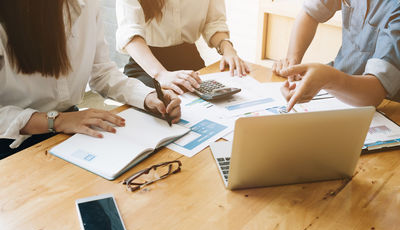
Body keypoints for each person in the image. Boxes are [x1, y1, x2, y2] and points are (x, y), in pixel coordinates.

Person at [0, 0, 181, 160]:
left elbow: (102, 72)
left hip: (71, 127)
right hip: (10, 142)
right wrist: (57, 121)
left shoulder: (87, 4)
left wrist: (147, 97)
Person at [272, 0, 400, 111]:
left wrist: (328, 79)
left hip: (385, 107)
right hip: (335, 94)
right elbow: (310, 12)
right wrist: (292, 59)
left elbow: (375, 93)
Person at [116, 0, 250, 95]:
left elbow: (214, 22)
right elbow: (130, 32)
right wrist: (161, 74)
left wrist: (227, 49)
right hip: (147, 65)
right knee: (164, 111)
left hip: (189, 61)